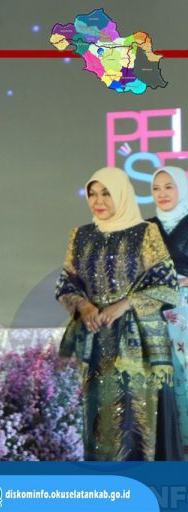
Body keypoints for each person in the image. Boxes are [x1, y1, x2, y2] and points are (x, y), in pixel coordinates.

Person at [56, 166, 181, 461]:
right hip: (96, 339)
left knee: (135, 419)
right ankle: (105, 485)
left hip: (138, 342)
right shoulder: (80, 235)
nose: (98, 201)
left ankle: (142, 484)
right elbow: (66, 283)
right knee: (99, 419)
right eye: (92, 194)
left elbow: (167, 285)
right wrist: (85, 306)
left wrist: (124, 305)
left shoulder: (145, 232)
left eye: (107, 193)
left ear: (122, 195)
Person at [149, 166, 188, 458]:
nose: (162, 194)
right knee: (163, 385)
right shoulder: (145, 229)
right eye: (156, 188)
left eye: (169, 187)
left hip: (186, 311)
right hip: (153, 314)